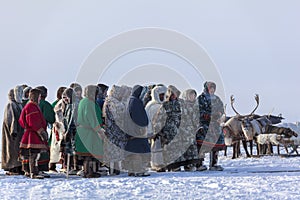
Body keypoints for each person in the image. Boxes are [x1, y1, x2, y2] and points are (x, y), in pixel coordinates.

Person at [75, 85, 104, 178]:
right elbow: (92, 118)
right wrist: (99, 129)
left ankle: (87, 170)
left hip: (82, 131)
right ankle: (89, 172)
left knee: (87, 153)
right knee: (89, 153)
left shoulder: (83, 101)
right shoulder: (90, 103)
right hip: (89, 132)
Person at [19, 88, 49, 179]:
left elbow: (22, 120)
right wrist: (41, 132)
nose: (40, 98)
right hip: (33, 135)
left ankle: (28, 170)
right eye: (39, 96)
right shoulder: (31, 107)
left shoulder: (31, 106)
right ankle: (33, 172)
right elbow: (33, 122)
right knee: (34, 154)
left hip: (31, 134)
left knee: (30, 154)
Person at [196, 81, 226, 171]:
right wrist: (207, 115)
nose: (212, 90)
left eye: (213, 88)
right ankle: (199, 164)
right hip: (203, 124)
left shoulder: (216, 99)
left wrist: (219, 114)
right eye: (210, 88)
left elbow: (221, 108)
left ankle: (213, 164)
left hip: (215, 124)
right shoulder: (201, 98)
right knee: (201, 144)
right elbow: (198, 110)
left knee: (216, 144)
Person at [102, 85, 131, 175]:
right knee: (115, 151)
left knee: (112, 151)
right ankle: (114, 169)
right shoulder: (113, 102)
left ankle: (114, 168)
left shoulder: (108, 101)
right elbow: (120, 114)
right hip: (115, 131)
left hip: (110, 130)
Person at [123, 85, 151, 177]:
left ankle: (131, 170)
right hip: (137, 132)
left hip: (130, 131)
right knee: (138, 151)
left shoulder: (130, 100)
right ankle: (138, 170)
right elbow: (139, 118)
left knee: (133, 150)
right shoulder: (136, 102)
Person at [1, 86, 24, 175]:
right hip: (12, 132)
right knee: (11, 149)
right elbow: (10, 119)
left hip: (18, 131)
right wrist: (13, 130)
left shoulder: (18, 104)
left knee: (16, 150)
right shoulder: (10, 104)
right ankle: (12, 167)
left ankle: (17, 166)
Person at [145, 84, 167, 172]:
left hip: (164, 131)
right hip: (154, 132)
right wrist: (150, 131)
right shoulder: (150, 106)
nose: (162, 97)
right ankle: (156, 165)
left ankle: (164, 164)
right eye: (161, 95)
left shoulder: (165, 105)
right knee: (156, 147)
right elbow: (148, 120)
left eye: (164, 95)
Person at [35, 86, 55, 175]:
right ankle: (40, 169)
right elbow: (51, 118)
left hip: (29, 131)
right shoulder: (45, 105)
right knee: (41, 150)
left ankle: (31, 169)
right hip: (41, 130)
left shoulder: (29, 103)